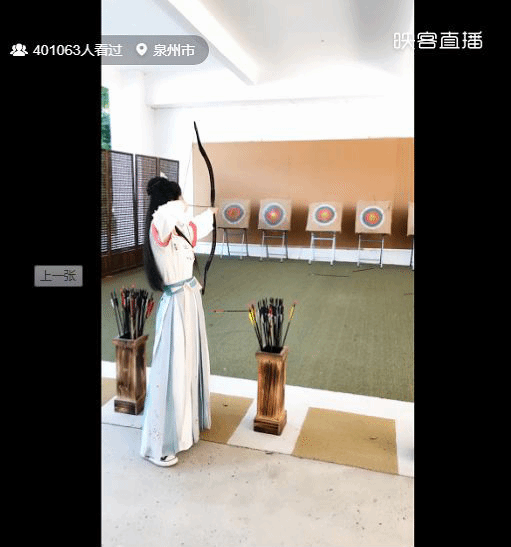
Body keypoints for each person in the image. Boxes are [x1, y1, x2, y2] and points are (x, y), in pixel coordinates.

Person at [140, 176, 217, 467]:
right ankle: (159, 444)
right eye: (180, 197)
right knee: (172, 368)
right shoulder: (159, 225)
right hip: (175, 304)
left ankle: (188, 426)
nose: (184, 202)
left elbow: (196, 228)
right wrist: (178, 202)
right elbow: (168, 214)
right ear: (169, 201)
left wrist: (210, 213)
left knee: (189, 363)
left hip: (190, 301)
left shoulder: (177, 228)